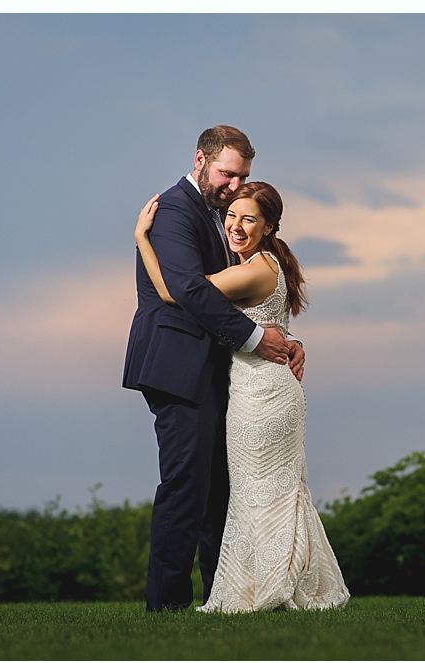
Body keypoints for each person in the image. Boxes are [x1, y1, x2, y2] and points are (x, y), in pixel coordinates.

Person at [134, 181, 350, 613]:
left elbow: (178, 293)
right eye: (231, 215)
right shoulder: (268, 263)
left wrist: (142, 239)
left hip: (260, 396)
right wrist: (291, 341)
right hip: (267, 389)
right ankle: (283, 584)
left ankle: (272, 586)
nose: (235, 224)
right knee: (271, 491)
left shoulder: (254, 268)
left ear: (269, 226)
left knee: (258, 492)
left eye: (248, 218)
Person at [122, 125, 304, 611]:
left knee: (219, 491)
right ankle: (168, 605)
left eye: (242, 176)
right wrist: (255, 338)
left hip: (220, 370)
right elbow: (188, 289)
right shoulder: (175, 210)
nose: (232, 184)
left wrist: (282, 337)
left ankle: (227, 597)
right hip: (177, 365)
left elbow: (247, 291)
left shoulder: (223, 215)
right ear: (200, 159)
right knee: (187, 486)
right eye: (226, 173)